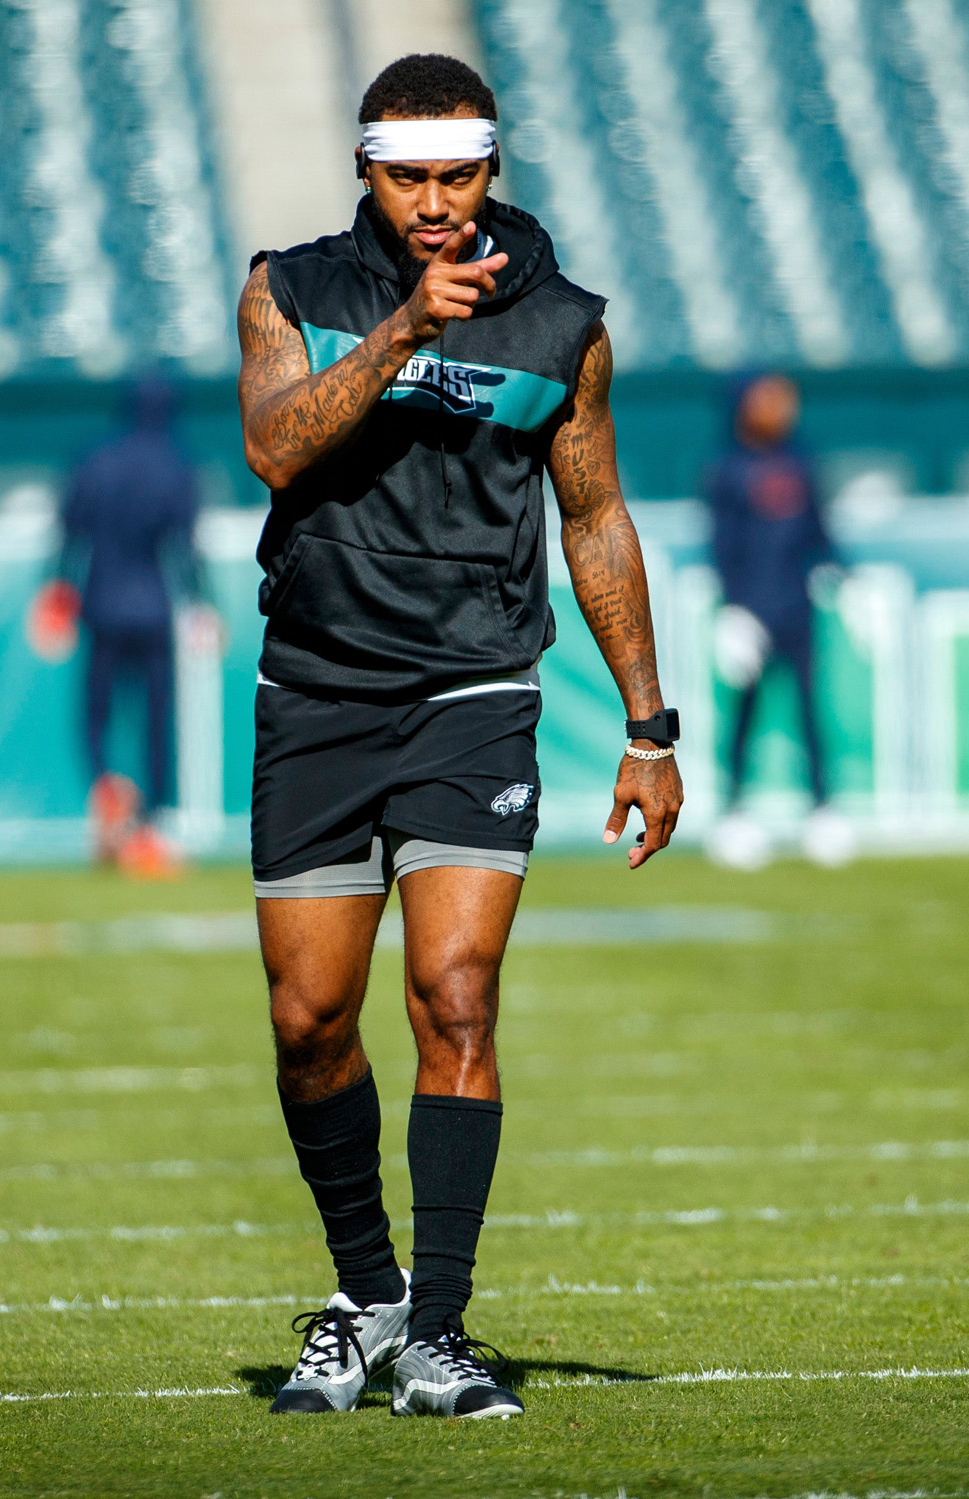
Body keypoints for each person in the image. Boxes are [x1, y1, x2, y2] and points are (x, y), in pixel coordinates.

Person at [237, 53, 682, 1421]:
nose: (435, 202)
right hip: (317, 690)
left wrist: (650, 726)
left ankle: (438, 1325)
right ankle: (364, 1294)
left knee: (456, 993)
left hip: (475, 689)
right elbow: (272, 446)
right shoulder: (289, 291)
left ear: (497, 165)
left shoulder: (564, 323)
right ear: (365, 169)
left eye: (459, 173)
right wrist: (399, 339)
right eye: (407, 174)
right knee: (312, 1022)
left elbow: (595, 513)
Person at [41, 379, 204, 874]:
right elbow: (184, 548)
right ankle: (150, 825)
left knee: (96, 715)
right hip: (153, 607)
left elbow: (68, 537)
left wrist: (56, 594)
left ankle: (107, 789)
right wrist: (200, 603)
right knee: (158, 720)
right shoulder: (176, 464)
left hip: (101, 604)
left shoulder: (93, 459)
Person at [705, 374, 848, 867]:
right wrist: (732, 612)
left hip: (798, 611)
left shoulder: (801, 461)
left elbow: (820, 533)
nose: (780, 408)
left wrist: (845, 575)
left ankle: (823, 811)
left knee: (811, 710)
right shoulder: (727, 469)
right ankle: (734, 813)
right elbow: (722, 546)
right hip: (751, 614)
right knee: (744, 715)